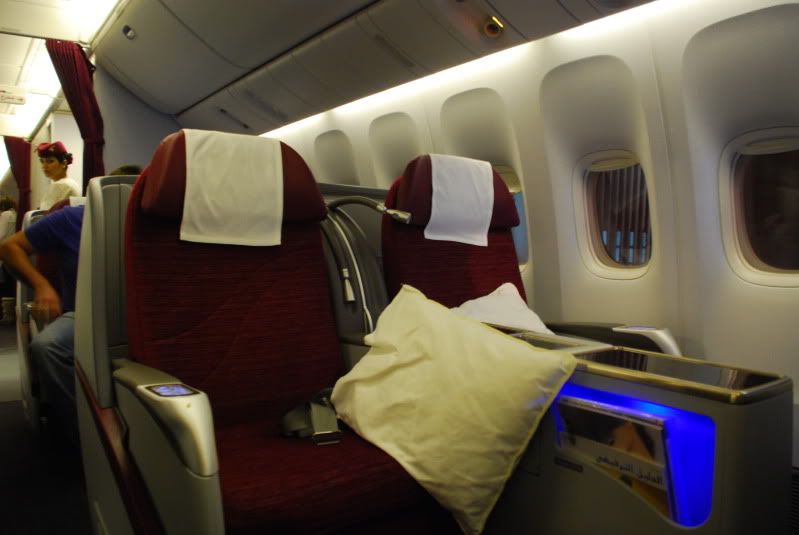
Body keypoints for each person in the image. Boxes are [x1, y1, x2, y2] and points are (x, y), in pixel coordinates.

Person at [36, 141, 81, 211]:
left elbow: (46, 215)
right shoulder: (72, 183)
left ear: (64, 163)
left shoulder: (61, 185)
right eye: (42, 161)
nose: (44, 166)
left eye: (50, 161)